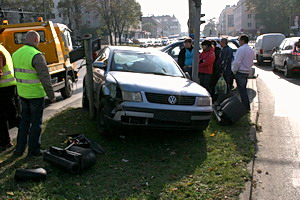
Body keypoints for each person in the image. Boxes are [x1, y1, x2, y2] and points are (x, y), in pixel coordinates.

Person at [13, 30, 56, 156]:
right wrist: (51, 95)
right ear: (36, 40)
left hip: (22, 94)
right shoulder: (36, 55)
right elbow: (45, 77)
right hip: (35, 95)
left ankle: (19, 150)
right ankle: (33, 150)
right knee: (36, 124)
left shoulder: (16, 54)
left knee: (24, 122)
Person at [0, 44, 17, 152]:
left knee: (10, 116)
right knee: (6, 116)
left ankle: (30, 133)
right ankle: (5, 142)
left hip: (3, 88)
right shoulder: (2, 48)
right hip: (7, 86)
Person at [231, 35, 255, 111]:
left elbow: (237, 61)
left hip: (240, 72)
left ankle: (245, 107)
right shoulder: (251, 50)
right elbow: (251, 62)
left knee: (242, 91)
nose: (239, 42)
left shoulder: (241, 49)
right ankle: (246, 106)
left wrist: (234, 70)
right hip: (246, 71)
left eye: (239, 40)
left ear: (242, 40)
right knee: (243, 89)